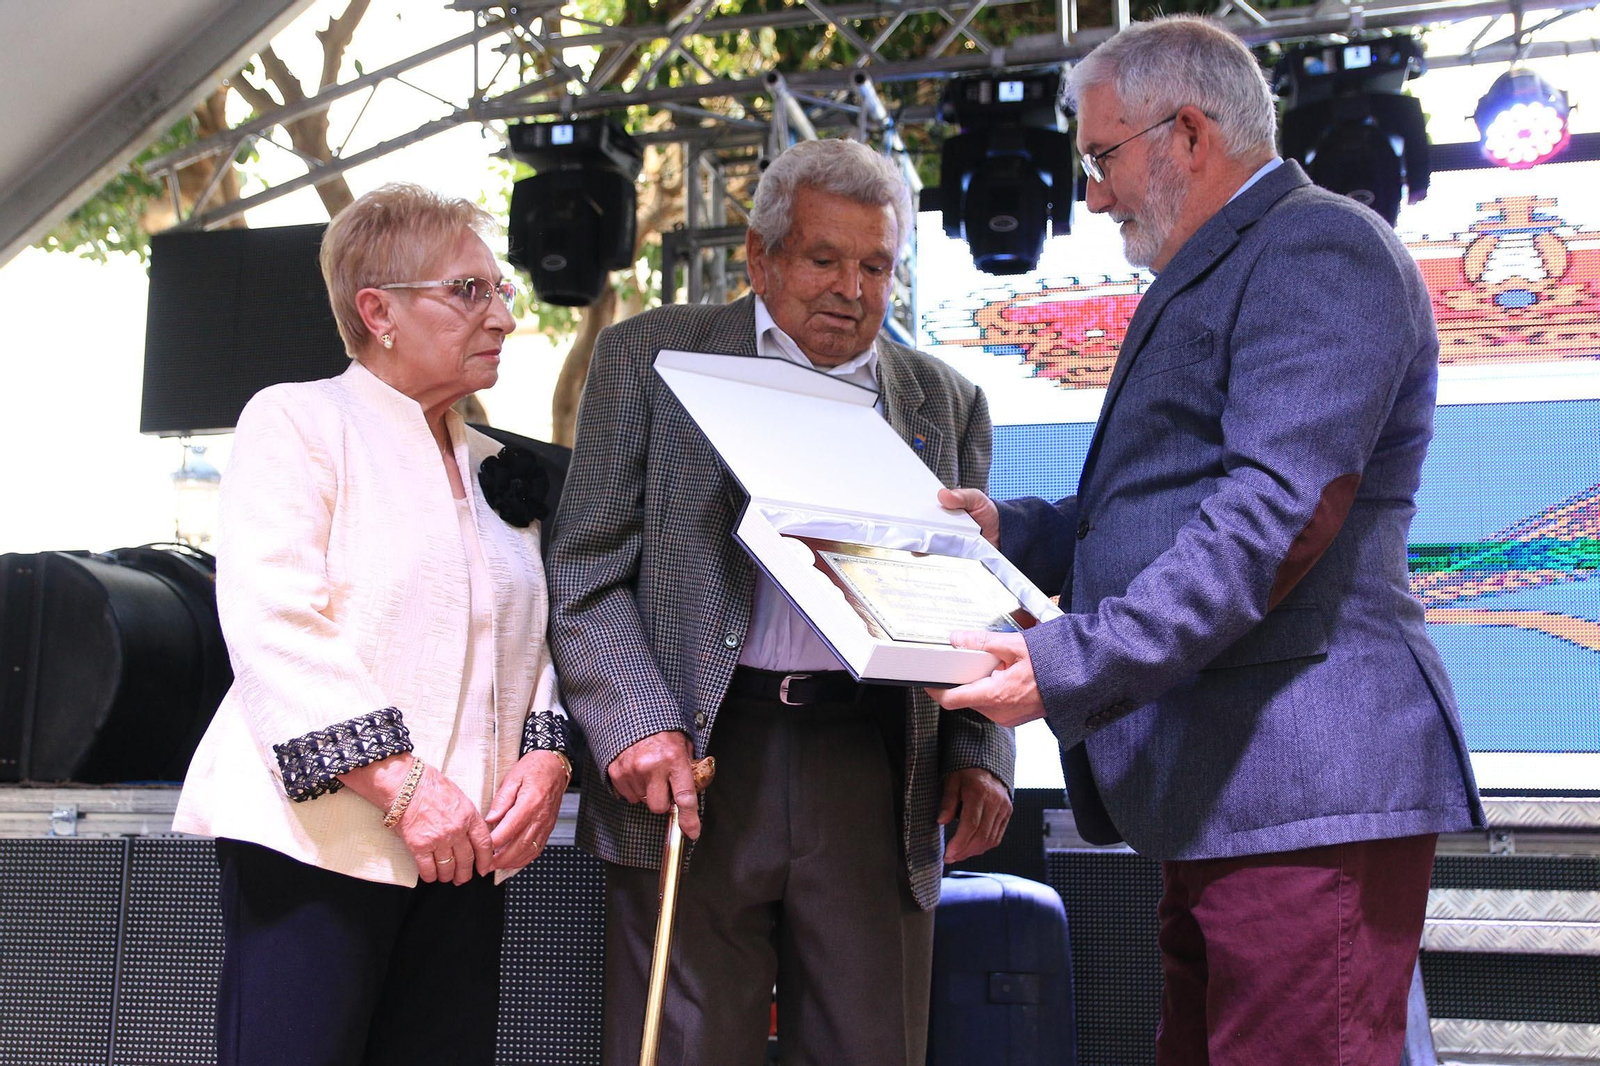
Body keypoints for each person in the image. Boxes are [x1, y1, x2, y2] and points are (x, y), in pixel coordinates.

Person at [930, 17, 1484, 1066]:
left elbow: (1275, 518)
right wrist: (1011, 531)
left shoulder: (1318, 247)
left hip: (1302, 788)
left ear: (1185, 133)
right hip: (1232, 791)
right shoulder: (1228, 260)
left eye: (1100, 158)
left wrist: (1069, 662)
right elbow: (1161, 506)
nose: (1093, 196)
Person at [547, 137, 1015, 1066]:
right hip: (695, 758)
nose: (852, 289)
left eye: (875, 266)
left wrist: (980, 753)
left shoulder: (945, 400)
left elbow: (970, 598)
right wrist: (634, 724)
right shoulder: (648, 356)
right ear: (760, 258)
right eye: (823, 259)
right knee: (682, 1049)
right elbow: (586, 567)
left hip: (873, 761)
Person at [172, 183, 572, 1066]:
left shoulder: (496, 463)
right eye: (469, 290)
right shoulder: (298, 420)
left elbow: (533, 636)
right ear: (378, 311)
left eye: (501, 290)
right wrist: (403, 787)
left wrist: (546, 756)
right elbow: (274, 620)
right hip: (319, 845)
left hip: (465, 856)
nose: (504, 317)